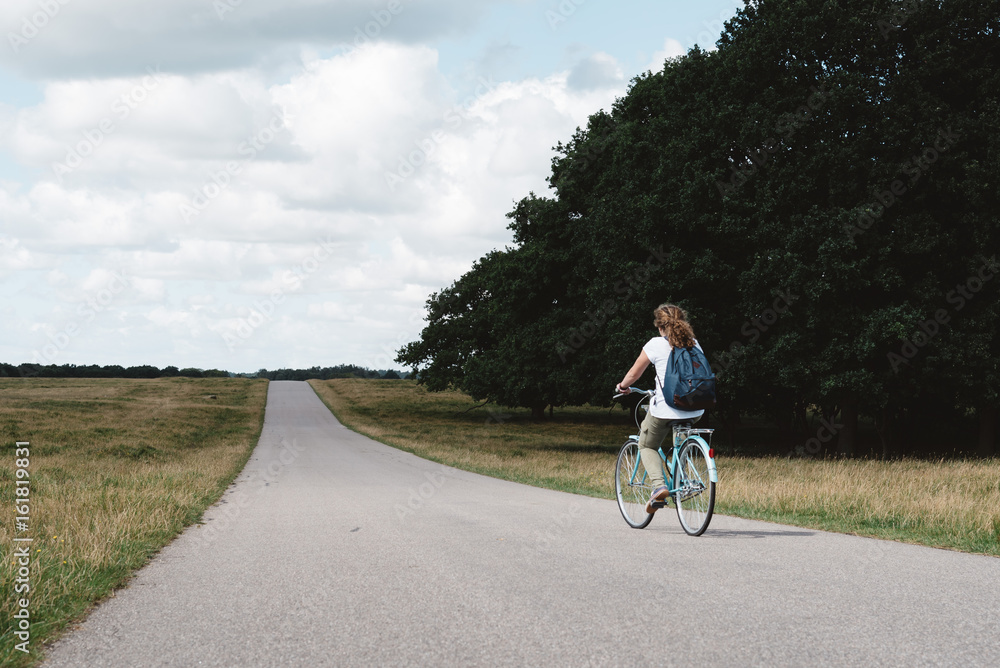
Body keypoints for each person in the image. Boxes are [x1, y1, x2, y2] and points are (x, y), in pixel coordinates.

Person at [615, 303, 705, 514]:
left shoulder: (655, 344)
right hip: (696, 409)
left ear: (659, 326)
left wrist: (622, 387)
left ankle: (659, 487)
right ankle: (681, 476)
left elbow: (634, 374)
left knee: (646, 445)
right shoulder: (694, 343)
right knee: (679, 439)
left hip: (666, 408)